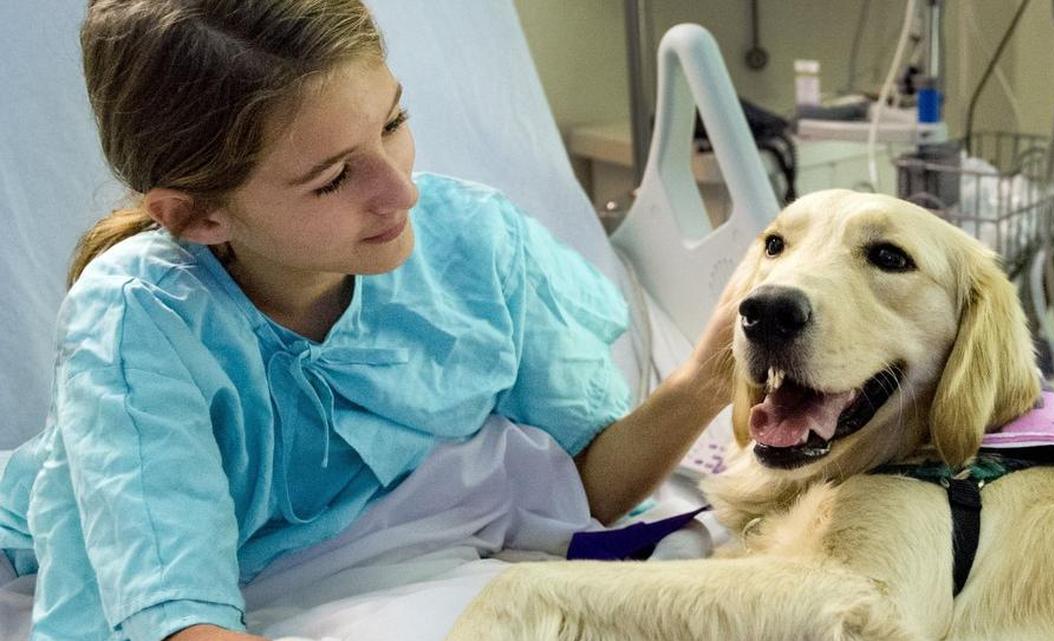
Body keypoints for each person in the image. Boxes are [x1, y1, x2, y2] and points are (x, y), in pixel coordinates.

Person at [0, 1, 739, 640]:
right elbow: (176, 612)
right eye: (333, 179)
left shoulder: (475, 243)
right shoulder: (140, 320)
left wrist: (709, 374)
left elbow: (590, 484)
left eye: (393, 122)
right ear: (197, 215)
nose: (401, 192)